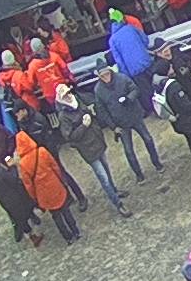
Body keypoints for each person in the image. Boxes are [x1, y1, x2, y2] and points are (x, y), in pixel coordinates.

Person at [48, 85, 134, 219]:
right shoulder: (63, 116)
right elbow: (69, 137)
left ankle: (115, 191)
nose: (68, 96)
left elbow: (90, 114)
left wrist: (93, 126)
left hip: (97, 140)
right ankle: (118, 204)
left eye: (68, 92)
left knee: (107, 170)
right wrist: (84, 126)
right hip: (87, 149)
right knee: (103, 178)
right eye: (65, 95)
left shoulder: (77, 101)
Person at [94, 61, 163, 181]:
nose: (106, 77)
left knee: (148, 139)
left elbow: (135, 89)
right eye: (103, 76)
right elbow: (102, 110)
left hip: (135, 116)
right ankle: (139, 175)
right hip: (120, 123)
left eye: (107, 74)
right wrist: (113, 127)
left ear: (110, 71)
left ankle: (157, 163)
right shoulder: (98, 90)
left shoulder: (122, 78)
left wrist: (128, 98)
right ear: (99, 76)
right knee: (128, 151)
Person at [15, 125, 80, 243]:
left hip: (43, 194)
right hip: (55, 186)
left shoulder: (23, 164)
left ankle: (68, 237)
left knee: (56, 216)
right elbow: (55, 167)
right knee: (66, 210)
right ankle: (76, 231)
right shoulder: (42, 151)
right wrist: (61, 180)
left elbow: (28, 185)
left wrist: (35, 198)